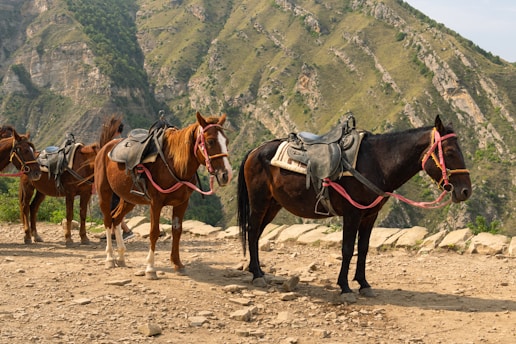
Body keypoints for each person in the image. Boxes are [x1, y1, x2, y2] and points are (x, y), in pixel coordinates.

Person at [109, 122, 134, 241]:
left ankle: (126, 230)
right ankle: (113, 232)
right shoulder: (123, 143)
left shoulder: (115, 144)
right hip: (120, 180)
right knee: (114, 206)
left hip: (116, 180)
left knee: (115, 206)